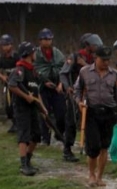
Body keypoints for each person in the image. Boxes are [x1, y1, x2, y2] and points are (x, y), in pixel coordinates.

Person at [74, 46, 117, 187]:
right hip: (91, 113)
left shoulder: (114, 74)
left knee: (104, 146)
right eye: (103, 60)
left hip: (109, 113)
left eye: (108, 60)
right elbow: (77, 89)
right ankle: (91, 174)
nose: (106, 63)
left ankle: (99, 177)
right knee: (93, 146)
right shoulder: (85, 72)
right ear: (96, 58)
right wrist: (79, 102)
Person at [59, 33, 99, 159]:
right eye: (93, 44)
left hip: (91, 94)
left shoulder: (95, 58)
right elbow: (63, 73)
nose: (95, 47)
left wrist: (86, 65)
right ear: (87, 45)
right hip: (76, 94)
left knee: (90, 121)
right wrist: (67, 87)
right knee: (71, 120)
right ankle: (67, 149)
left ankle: (89, 147)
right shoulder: (75, 56)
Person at [8, 42, 42, 176]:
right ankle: (23, 165)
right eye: (33, 52)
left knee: (36, 135)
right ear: (28, 54)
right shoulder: (19, 69)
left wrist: (43, 108)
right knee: (24, 135)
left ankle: (28, 160)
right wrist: (25, 96)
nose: (35, 54)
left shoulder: (32, 70)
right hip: (22, 108)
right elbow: (12, 85)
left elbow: (36, 91)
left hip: (33, 107)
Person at [34, 28, 68, 148]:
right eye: (45, 39)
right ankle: (45, 137)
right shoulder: (36, 54)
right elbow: (35, 69)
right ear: (40, 40)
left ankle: (59, 134)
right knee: (44, 112)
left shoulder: (57, 53)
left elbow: (63, 68)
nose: (47, 41)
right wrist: (43, 82)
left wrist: (60, 83)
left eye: (49, 39)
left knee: (61, 112)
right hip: (42, 86)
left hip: (56, 85)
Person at [0, 34, 19, 133]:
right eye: (3, 45)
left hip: (17, 84)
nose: (4, 47)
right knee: (8, 106)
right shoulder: (2, 58)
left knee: (17, 104)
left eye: (6, 45)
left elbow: (21, 68)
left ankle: (18, 124)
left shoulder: (16, 56)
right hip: (8, 84)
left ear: (11, 45)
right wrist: (2, 76)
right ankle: (13, 123)